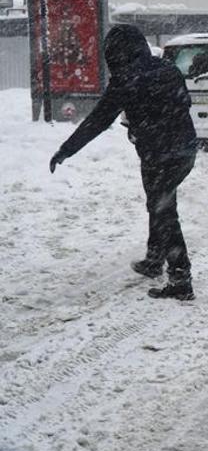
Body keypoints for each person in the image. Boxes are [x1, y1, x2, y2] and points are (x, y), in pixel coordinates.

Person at [49, 24, 199, 301]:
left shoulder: (125, 79)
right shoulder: (167, 67)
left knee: (164, 211)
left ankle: (181, 279)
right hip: (185, 150)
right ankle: (154, 259)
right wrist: (150, 121)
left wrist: (66, 149)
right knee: (161, 203)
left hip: (158, 154)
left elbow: (98, 120)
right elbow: (183, 103)